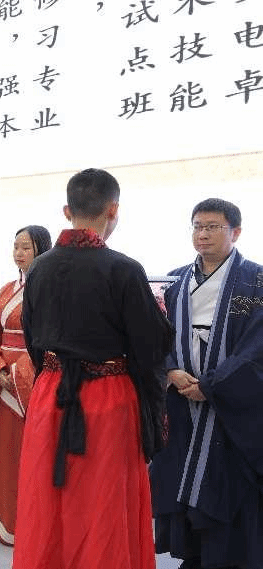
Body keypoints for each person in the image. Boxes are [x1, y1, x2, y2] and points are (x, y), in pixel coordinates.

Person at [13, 168, 171, 569]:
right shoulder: (124, 269)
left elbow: (32, 339)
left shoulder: (40, 268)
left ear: (68, 211)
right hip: (107, 399)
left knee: (48, 502)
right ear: (112, 210)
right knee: (102, 506)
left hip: (51, 394)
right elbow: (151, 346)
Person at [150, 198, 263, 569]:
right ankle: (193, 555)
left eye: (213, 227)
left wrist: (213, 385)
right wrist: (170, 370)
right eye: (197, 226)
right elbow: (157, 335)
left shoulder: (257, 280)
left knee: (230, 480)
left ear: (236, 232)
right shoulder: (174, 280)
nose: (203, 234)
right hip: (182, 399)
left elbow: (255, 347)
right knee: (181, 472)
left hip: (231, 404)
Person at [0, 224, 52, 545]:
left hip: (31, 379)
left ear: (41, 249)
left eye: (26, 247)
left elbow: (46, 340)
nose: (18, 253)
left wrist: (18, 375)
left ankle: (25, 522)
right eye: (16, 246)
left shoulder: (49, 291)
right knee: (1, 453)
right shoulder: (5, 291)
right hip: (1, 378)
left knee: (26, 454)